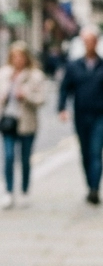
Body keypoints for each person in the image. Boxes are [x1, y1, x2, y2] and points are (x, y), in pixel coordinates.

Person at [58, 25, 103, 204]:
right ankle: (89, 185)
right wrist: (62, 108)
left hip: (101, 114)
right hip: (82, 114)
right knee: (86, 153)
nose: (89, 44)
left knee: (96, 151)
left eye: (92, 41)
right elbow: (65, 89)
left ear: (97, 43)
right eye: (86, 41)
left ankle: (95, 188)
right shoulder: (74, 65)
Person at [0, 41, 47, 209]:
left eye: (20, 57)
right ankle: (9, 191)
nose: (18, 60)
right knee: (9, 157)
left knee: (25, 159)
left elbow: (41, 99)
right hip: (8, 122)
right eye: (14, 57)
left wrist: (26, 95)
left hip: (26, 123)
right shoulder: (4, 74)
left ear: (26, 58)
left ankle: (25, 190)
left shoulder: (35, 75)